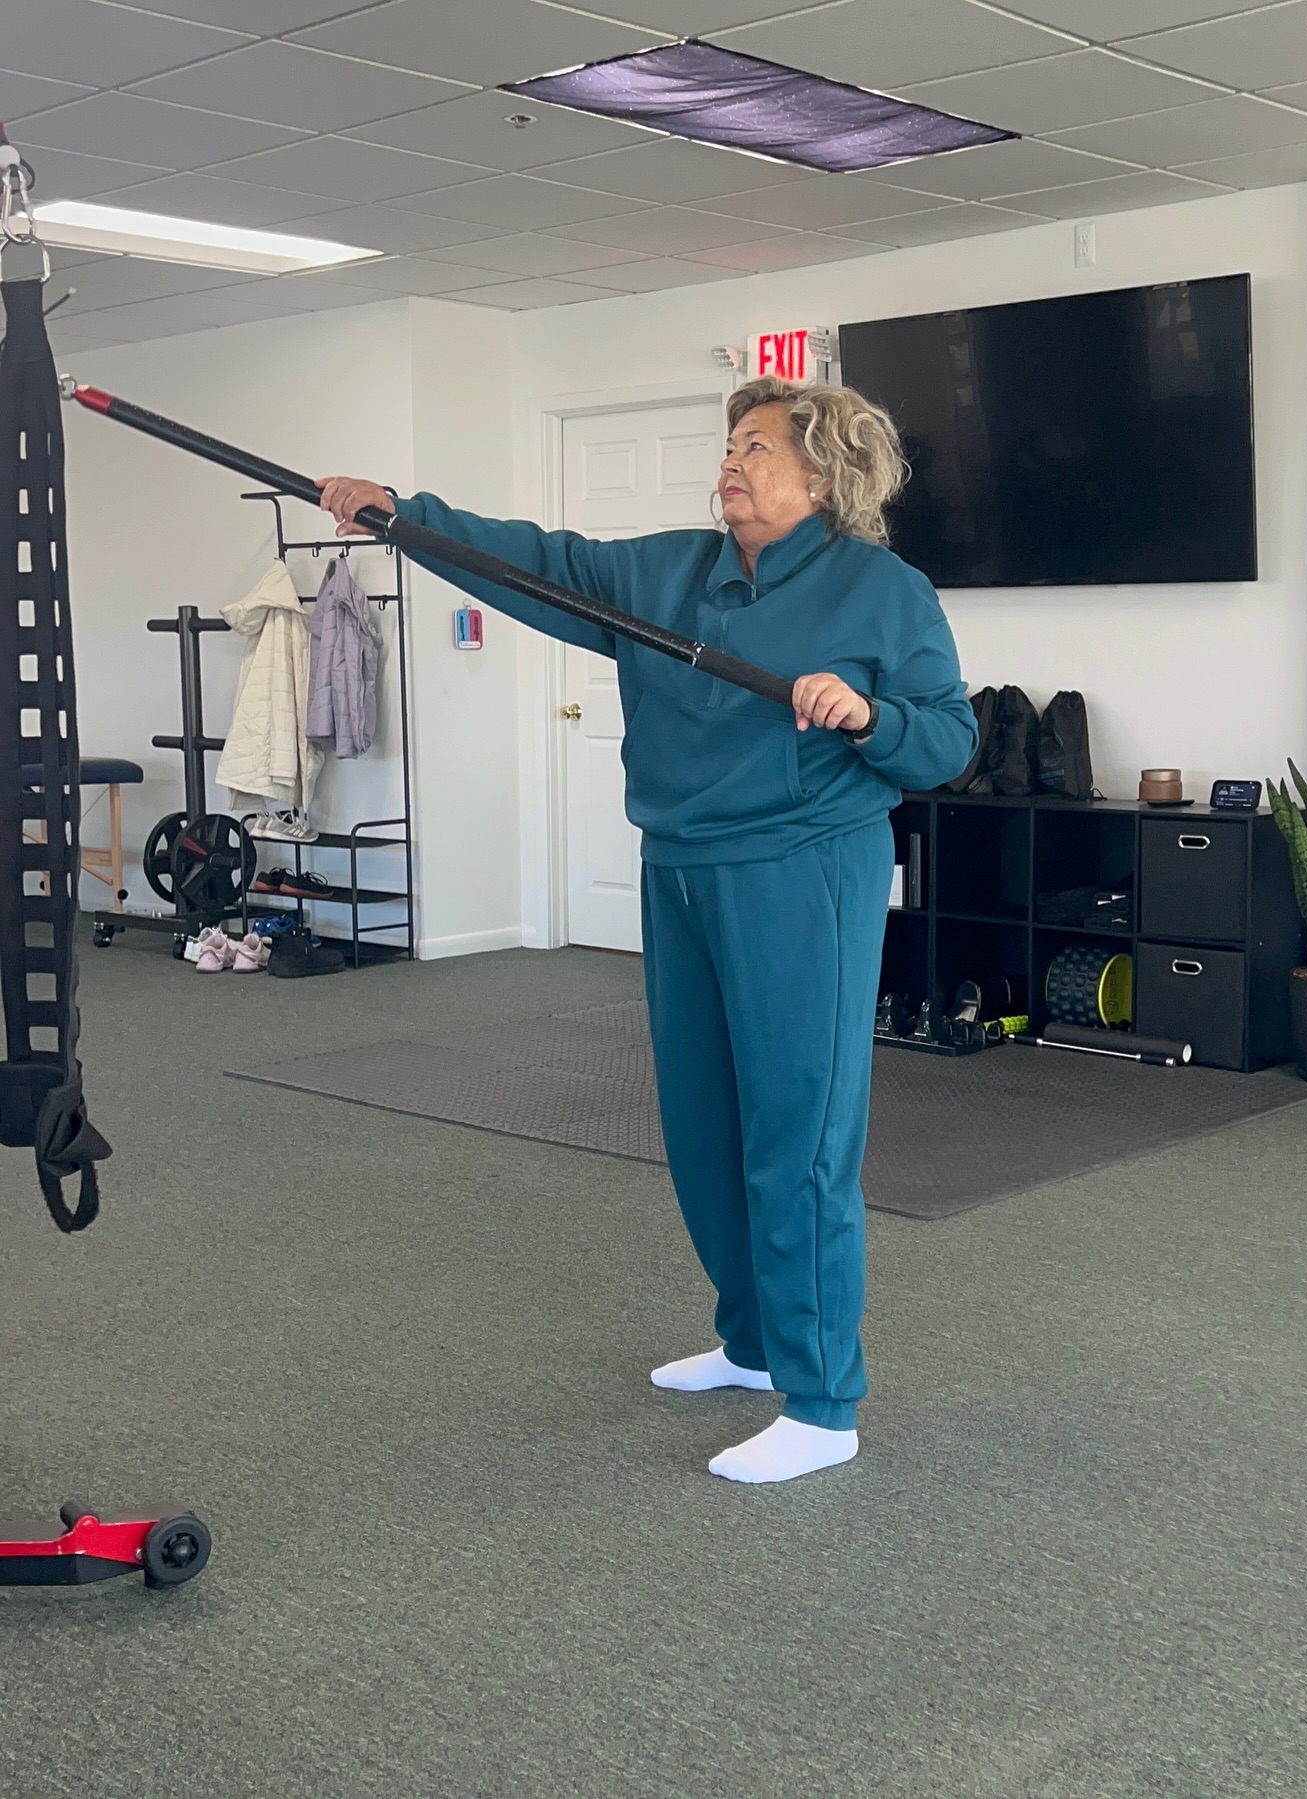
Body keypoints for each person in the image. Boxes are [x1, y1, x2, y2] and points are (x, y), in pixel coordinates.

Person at [320, 377, 977, 1485]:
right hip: (679, 864)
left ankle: (824, 1401)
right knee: (703, 1120)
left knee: (799, 1133)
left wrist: (871, 714)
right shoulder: (670, 572)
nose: (732, 462)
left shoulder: (883, 591)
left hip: (804, 869)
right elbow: (530, 561)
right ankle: (754, 1342)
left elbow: (948, 740)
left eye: (757, 447)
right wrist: (400, 516)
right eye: (731, 445)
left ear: (822, 473)